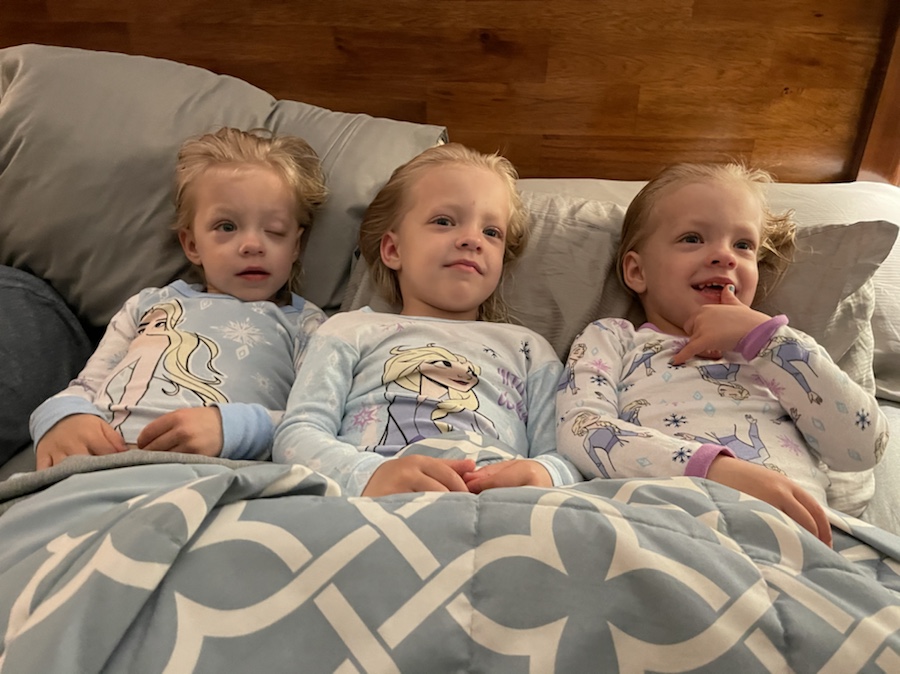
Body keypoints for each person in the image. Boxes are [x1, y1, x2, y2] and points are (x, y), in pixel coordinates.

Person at [556, 162, 889, 547]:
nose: (725, 256)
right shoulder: (612, 338)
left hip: (800, 538)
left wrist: (766, 340)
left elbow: (862, 449)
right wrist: (712, 469)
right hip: (663, 524)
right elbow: (580, 430)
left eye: (743, 245)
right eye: (692, 238)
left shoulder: (784, 351)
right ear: (637, 271)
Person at [272, 143, 582, 496]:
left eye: (492, 232)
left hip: (494, 499)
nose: (472, 240)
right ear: (393, 249)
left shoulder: (528, 349)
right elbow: (297, 435)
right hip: (379, 496)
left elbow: (569, 456)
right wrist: (368, 475)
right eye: (444, 221)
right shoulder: (349, 330)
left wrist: (543, 474)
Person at [30, 127, 329, 469]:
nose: (252, 245)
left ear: (295, 246)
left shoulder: (309, 326)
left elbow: (319, 423)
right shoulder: (147, 305)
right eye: (227, 227)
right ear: (191, 244)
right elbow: (87, 385)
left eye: (274, 231)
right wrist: (61, 417)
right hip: (101, 464)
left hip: (218, 473)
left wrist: (235, 428)